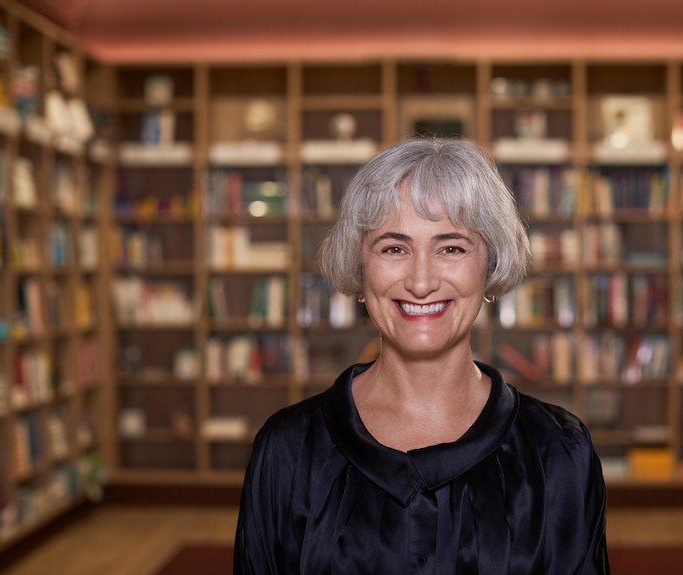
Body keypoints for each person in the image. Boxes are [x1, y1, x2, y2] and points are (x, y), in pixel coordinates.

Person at [234, 138, 610, 574]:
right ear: (360, 266)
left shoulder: (559, 452)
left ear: (489, 266)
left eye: (451, 248)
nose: (420, 281)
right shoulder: (286, 450)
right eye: (394, 248)